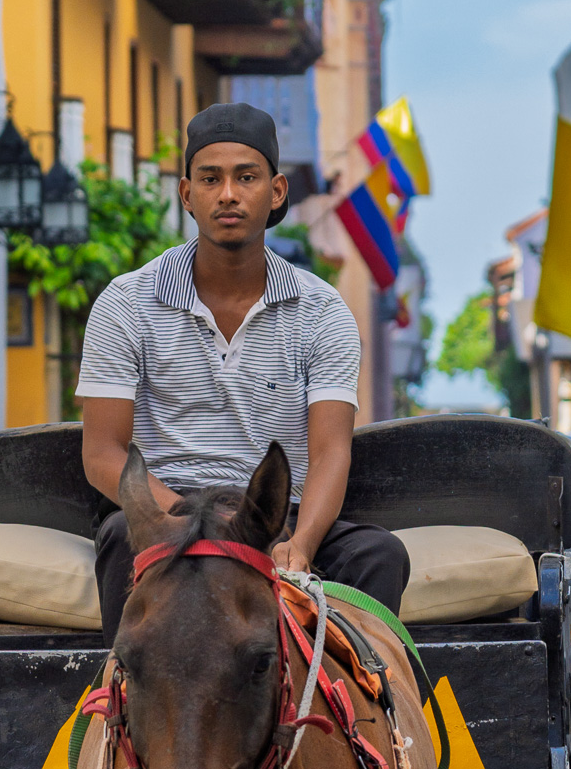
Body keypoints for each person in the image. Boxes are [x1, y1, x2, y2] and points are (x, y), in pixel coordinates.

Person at [77, 100, 410, 647]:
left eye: (246, 177)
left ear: (276, 192)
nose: (228, 193)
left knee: (378, 556)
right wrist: (182, 521)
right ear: (187, 194)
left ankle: (350, 726)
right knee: (119, 536)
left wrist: (300, 544)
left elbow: (330, 452)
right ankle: (121, 710)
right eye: (210, 178)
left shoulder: (321, 310)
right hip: (169, 510)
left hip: (277, 513)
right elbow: (102, 454)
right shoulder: (127, 303)